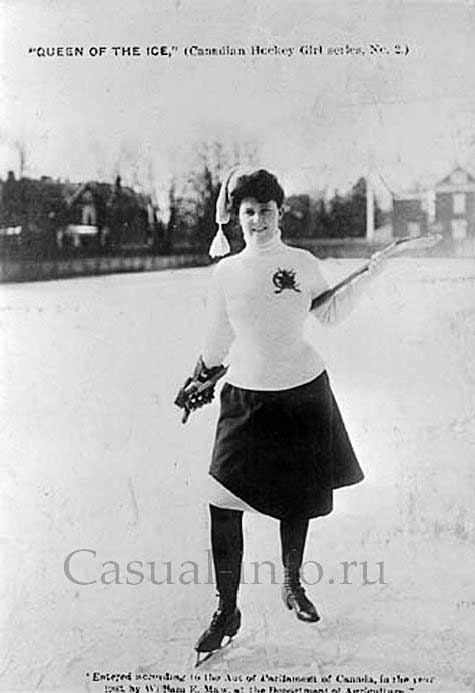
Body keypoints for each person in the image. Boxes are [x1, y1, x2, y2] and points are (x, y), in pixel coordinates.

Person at [182, 168, 385, 658]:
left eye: (266, 211)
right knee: (221, 500)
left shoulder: (301, 262)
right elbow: (216, 339)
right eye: (248, 212)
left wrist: (369, 275)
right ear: (236, 217)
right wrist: (199, 376)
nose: (258, 221)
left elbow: (328, 313)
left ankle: (292, 583)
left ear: (280, 213)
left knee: (297, 498)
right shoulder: (226, 273)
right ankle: (226, 608)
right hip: (246, 397)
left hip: (302, 393)